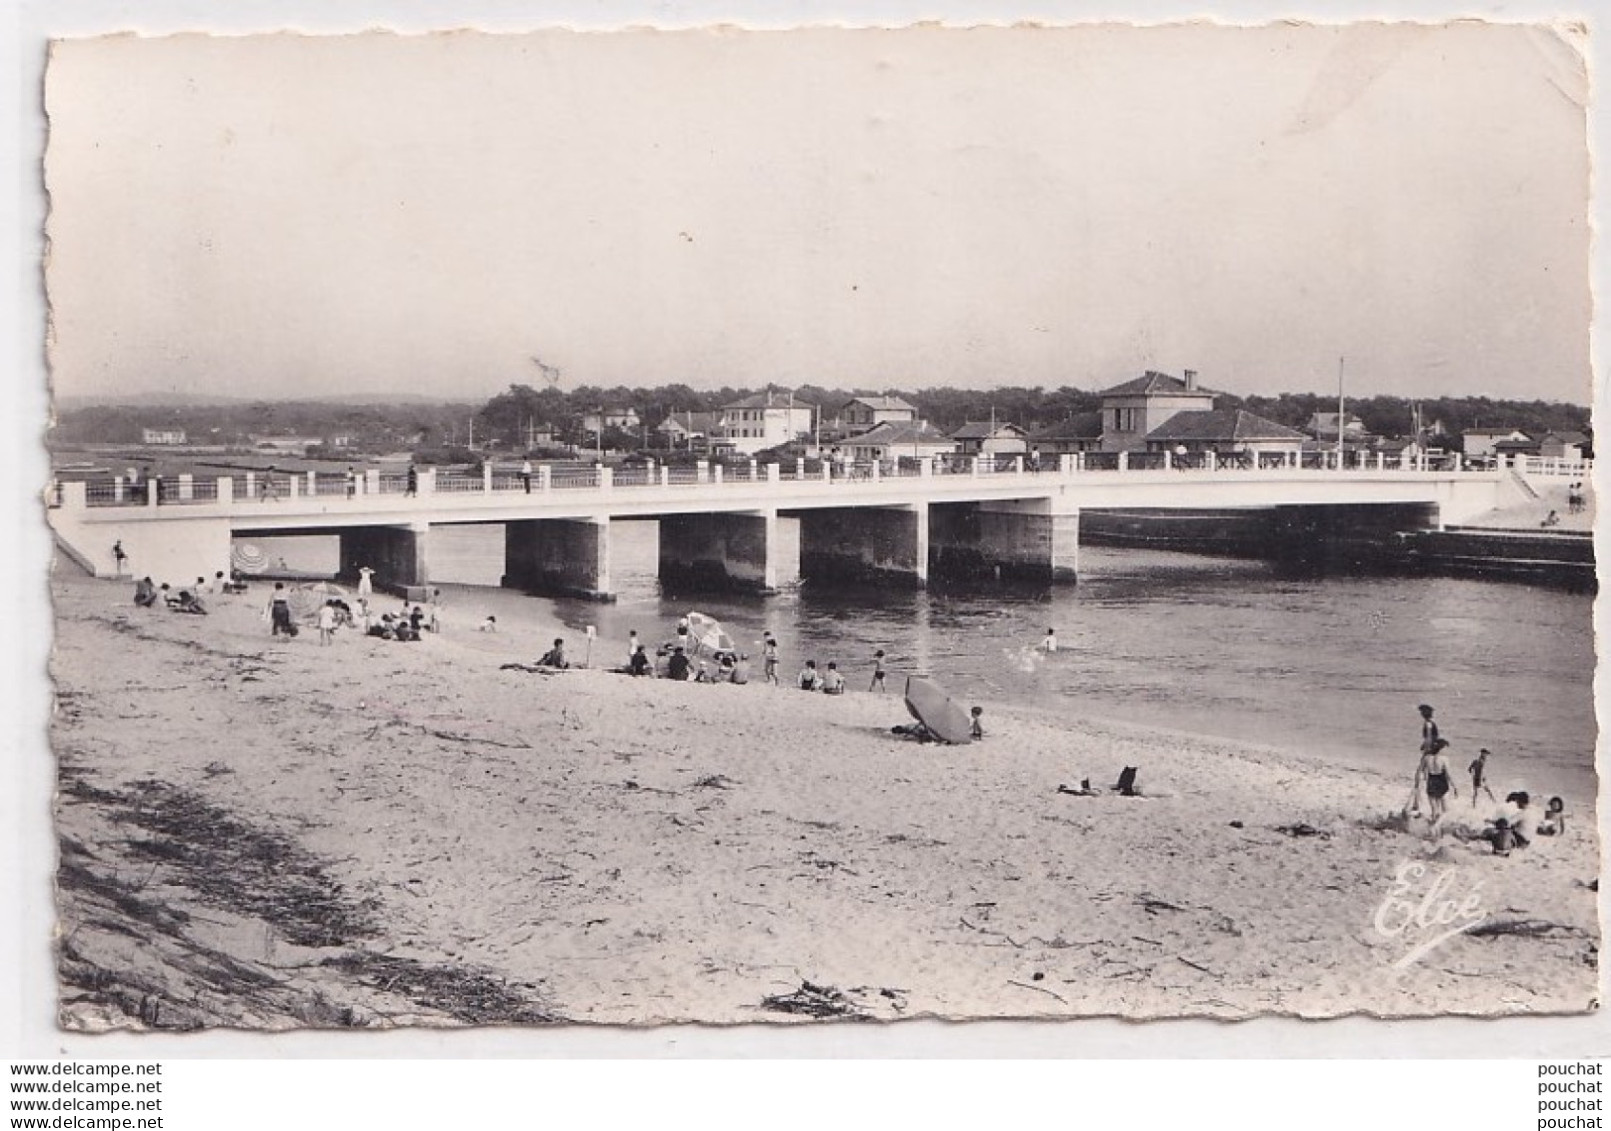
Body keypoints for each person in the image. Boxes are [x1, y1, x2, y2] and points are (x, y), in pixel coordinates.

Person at [1415, 738, 1457, 833]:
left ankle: (1434, 833)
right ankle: (1435, 826)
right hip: (1441, 782)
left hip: (1431, 782)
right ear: (1441, 748)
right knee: (1446, 810)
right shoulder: (1444, 759)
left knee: (1434, 810)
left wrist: (1418, 784)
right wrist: (1455, 787)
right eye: (1445, 748)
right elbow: (1448, 775)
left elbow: (1419, 771)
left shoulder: (1426, 758)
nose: (1446, 750)